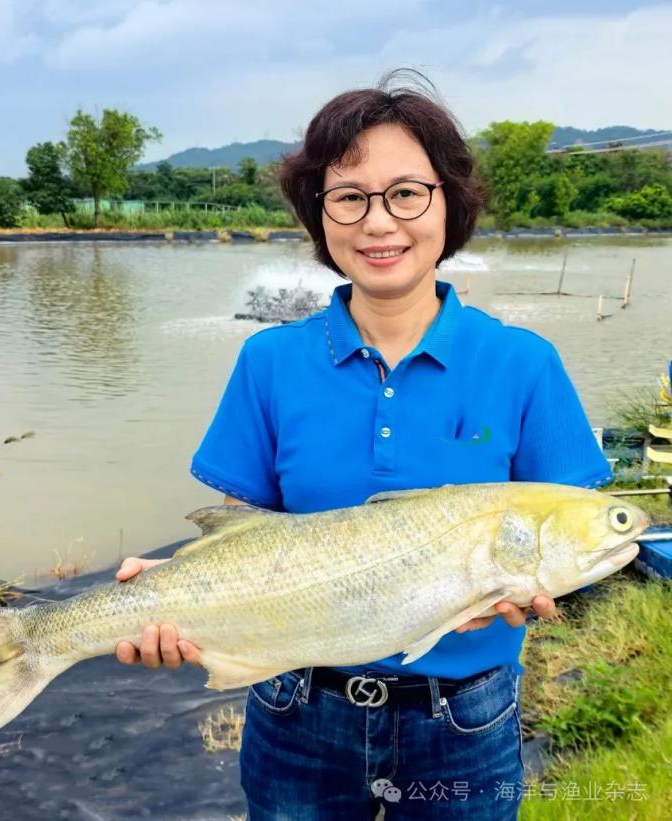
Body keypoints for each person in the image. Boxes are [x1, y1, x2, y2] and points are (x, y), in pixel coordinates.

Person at [115, 72, 612, 819]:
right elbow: (243, 535)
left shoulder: (523, 364)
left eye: (407, 193)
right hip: (296, 712)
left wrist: (537, 596)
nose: (379, 223)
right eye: (349, 197)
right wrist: (180, 594)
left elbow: (573, 535)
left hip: (466, 721)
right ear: (319, 215)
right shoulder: (269, 362)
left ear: (450, 202)